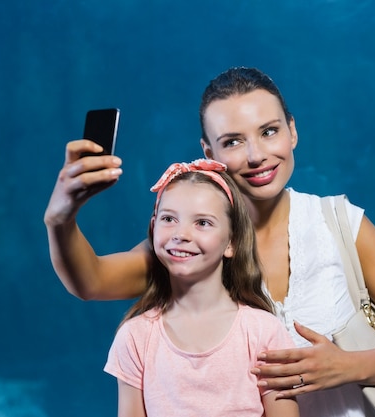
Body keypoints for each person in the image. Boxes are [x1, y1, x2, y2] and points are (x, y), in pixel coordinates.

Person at [44, 67, 375, 417]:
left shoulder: (340, 223)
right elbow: (91, 281)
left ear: (292, 132)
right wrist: (60, 217)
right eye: (233, 141)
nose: (256, 155)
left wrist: (346, 366)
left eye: (269, 131)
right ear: (209, 152)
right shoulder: (193, 245)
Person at [103, 158, 298, 416]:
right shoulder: (135, 338)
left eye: (202, 223)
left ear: (232, 242)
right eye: (169, 219)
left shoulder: (264, 332)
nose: (181, 234)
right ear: (153, 229)